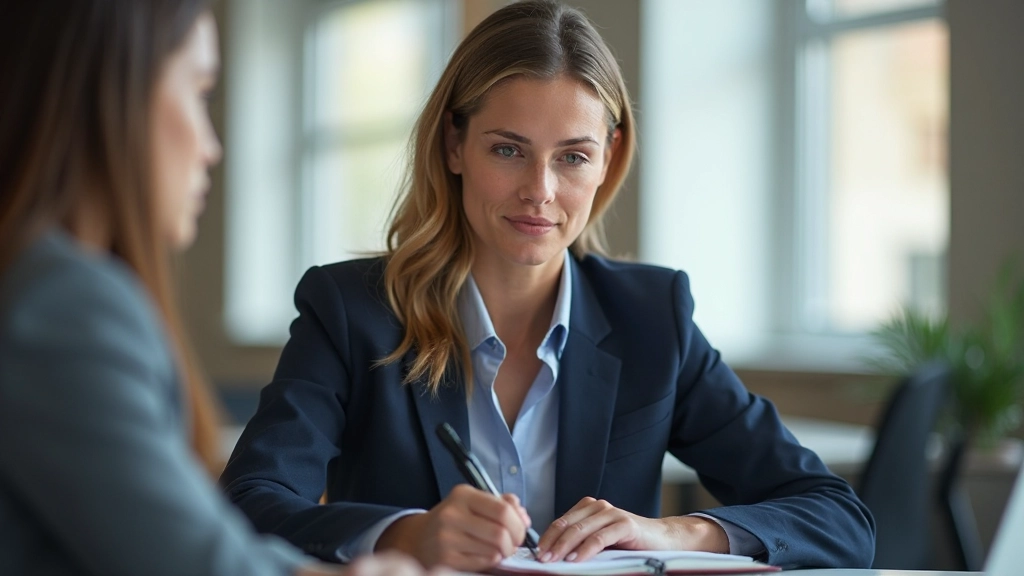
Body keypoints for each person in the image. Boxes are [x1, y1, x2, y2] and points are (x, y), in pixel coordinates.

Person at [220, 0, 876, 572]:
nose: (540, 191)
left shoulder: (653, 318)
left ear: (609, 158)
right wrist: (408, 534)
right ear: (455, 144)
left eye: (572, 156)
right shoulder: (352, 311)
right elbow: (248, 507)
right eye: (508, 149)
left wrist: (676, 533)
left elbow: (838, 517)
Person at [0, 2, 439, 576]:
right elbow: (188, 557)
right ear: (113, 95)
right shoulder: (63, 304)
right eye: (200, 92)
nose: (212, 146)